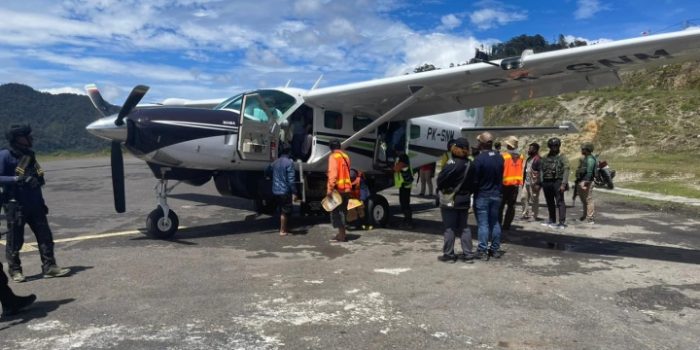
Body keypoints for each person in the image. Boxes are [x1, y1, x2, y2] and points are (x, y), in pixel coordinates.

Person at [1, 124, 70, 282]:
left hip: (35, 204)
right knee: (15, 239)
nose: (31, 138)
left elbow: (36, 181)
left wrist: (41, 201)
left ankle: (50, 267)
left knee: (45, 237)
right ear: (17, 139)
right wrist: (16, 179)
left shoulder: (30, 155)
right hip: (16, 206)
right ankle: (15, 270)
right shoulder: (5, 155)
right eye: (27, 135)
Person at [436, 137, 475, 263]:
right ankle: (468, 254)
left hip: (451, 199)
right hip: (464, 200)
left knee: (450, 228)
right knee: (464, 227)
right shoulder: (470, 164)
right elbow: (474, 182)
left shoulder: (452, 163)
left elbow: (440, 180)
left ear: (456, 148)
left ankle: (448, 255)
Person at [472, 132, 504, 259]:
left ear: (482, 143)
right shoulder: (499, 157)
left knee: (483, 224)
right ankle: (495, 249)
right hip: (497, 194)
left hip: (483, 194)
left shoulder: (479, 159)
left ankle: (482, 250)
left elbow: (475, 180)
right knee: (495, 222)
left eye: (479, 142)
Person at [267, 143, 297, 236]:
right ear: (289, 152)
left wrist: (269, 177)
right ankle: (283, 230)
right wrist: (294, 192)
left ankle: (284, 228)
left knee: (281, 210)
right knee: (285, 211)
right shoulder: (289, 162)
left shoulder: (275, 162)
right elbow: (291, 180)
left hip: (275, 190)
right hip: (285, 190)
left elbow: (267, 170)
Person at [540, 137, 570, 229]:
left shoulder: (562, 157)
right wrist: (541, 182)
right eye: (552, 145)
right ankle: (552, 220)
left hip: (558, 181)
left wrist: (563, 184)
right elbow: (541, 169)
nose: (554, 147)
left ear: (559, 146)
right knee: (549, 202)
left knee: (560, 202)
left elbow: (566, 169)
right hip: (546, 182)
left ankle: (561, 222)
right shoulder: (545, 157)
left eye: (556, 145)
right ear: (549, 146)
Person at [326, 139, 352, 242]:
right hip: (346, 188)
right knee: (343, 212)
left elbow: (333, 174)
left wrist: (329, 190)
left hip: (337, 190)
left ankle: (342, 236)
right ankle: (342, 234)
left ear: (331, 148)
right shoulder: (346, 156)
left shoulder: (333, 157)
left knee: (337, 213)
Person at [499, 136, 524, 232]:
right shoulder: (521, 156)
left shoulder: (504, 156)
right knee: (511, 206)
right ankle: (507, 225)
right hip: (515, 186)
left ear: (508, 145)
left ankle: (498, 223)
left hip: (504, 185)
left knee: (500, 206)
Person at [520, 142, 542, 221]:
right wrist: (523, 182)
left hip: (534, 183)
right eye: (529, 148)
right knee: (523, 197)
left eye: (531, 149)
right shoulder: (528, 159)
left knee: (534, 200)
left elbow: (541, 172)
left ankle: (533, 216)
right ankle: (525, 213)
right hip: (526, 182)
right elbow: (525, 171)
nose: (529, 150)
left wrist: (538, 184)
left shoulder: (538, 159)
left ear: (535, 150)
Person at [576, 142, 596, 224]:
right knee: (584, 201)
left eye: (583, 149)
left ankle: (590, 218)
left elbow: (590, 172)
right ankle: (584, 216)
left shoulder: (590, 159)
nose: (582, 150)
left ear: (587, 150)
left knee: (588, 200)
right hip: (581, 181)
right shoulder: (585, 158)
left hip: (586, 182)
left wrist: (586, 183)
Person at [393, 149, 414, 229]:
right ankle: (407, 221)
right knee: (405, 203)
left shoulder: (403, 161)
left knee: (404, 204)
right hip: (405, 185)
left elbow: (395, 169)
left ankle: (408, 222)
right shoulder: (405, 161)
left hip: (405, 186)